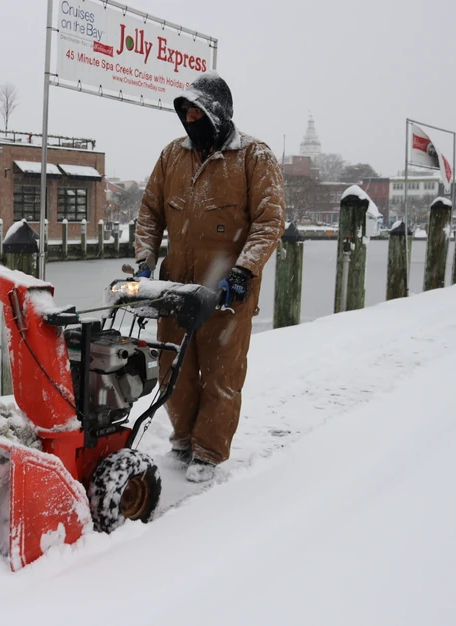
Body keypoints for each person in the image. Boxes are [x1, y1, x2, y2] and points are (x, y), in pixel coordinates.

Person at [133, 72, 286, 483]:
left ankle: (209, 450)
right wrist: (145, 257)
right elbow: (150, 211)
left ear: (217, 114)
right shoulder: (172, 156)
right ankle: (183, 439)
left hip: (227, 291)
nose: (191, 119)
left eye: (198, 112)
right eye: (186, 113)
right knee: (173, 366)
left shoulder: (255, 157)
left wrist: (244, 271)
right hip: (176, 287)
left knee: (222, 374)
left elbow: (269, 222)